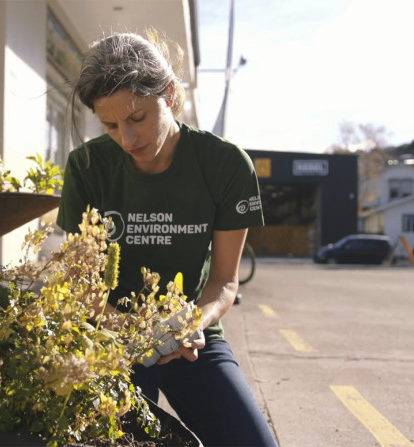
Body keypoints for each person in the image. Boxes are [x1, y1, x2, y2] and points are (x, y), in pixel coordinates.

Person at [57, 29, 278, 447]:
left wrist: (196, 322)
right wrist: (133, 331)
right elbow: (82, 287)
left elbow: (225, 282)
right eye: (110, 125)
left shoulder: (227, 165)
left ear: (171, 95)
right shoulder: (87, 166)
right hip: (111, 337)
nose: (127, 139)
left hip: (189, 339)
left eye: (137, 118)